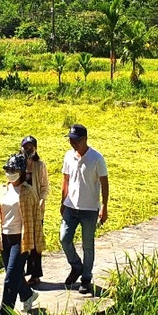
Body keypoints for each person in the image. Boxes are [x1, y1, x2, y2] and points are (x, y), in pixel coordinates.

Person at [0, 153, 41, 315]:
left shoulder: (28, 192)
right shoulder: (2, 190)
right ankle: (28, 295)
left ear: (21, 172)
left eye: (13, 170)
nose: (9, 173)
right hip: (4, 238)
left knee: (10, 278)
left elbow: (36, 219)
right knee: (14, 274)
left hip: (20, 240)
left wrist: (37, 243)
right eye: (7, 170)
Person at [60, 124, 109, 296]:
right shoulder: (68, 156)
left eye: (76, 141)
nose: (73, 143)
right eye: (71, 140)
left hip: (89, 209)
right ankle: (76, 266)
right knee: (64, 239)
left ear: (85, 139)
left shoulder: (96, 158)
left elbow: (104, 183)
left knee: (88, 245)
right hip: (70, 206)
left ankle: (86, 278)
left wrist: (104, 207)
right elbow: (65, 179)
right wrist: (62, 201)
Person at [19, 136, 49, 287]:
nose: (28, 149)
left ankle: (35, 274)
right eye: (26, 147)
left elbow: (44, 187)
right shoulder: (18, 164)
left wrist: (42, 200)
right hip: (21, 208)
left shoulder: (40, 165)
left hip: (36, 209)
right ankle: (21, 272)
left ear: (35, 148)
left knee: (36, 242)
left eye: (31, 146)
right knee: (22, 240)